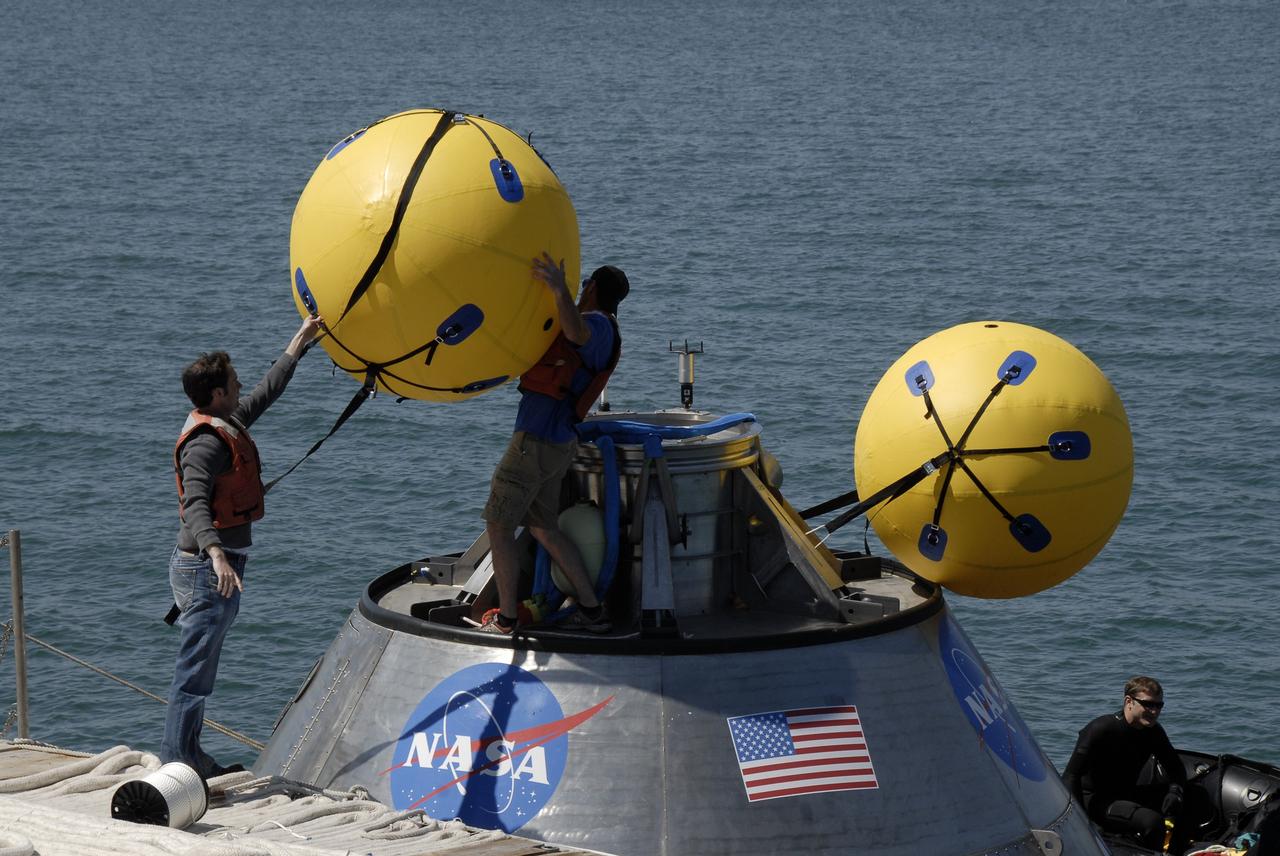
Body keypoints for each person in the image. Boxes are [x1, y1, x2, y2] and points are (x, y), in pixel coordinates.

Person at [162, 315, 325, 777]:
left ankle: (188, 755)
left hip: (217, 567)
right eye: (234, 382)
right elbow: (194, 505)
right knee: (193, 676)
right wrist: (215, 554)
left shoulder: (223, 420)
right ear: (216, 394)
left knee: (201, 672)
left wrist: (299, 342)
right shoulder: (205, 446)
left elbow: (266, 393)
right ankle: (179, 762)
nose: (241, 386)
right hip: (205, 569)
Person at [478, 252, 628, 635]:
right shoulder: (603, 326)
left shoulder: (598, 325)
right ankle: (592, 611)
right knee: (544, 527)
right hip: (556, 442)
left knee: (499, 522)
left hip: (536, 441)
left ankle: (507, 618)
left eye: (582, 287)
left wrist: (559, 289)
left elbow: (577, 334)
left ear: (591, 288)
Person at [1061, 676, 1188, 849]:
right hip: (1095, 800)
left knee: (1195, 797)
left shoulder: (1153, 732)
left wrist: (1175, 792)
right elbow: (1070, 776)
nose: (1155, 711)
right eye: (1148, 705)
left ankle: (1179, 849)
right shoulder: (1101, 729)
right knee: (1152, 822)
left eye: (1159, 706)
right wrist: (1082, 821)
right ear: (1129, 701)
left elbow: (1176, 768)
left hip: (1127, 793)